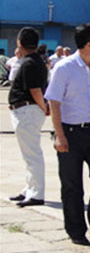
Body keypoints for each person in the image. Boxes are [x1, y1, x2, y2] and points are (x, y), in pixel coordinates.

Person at [45, 23, 90, 245]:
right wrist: (59, 136)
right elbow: (54, 102)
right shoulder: (64, 68)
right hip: (70, 132)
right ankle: (76, 231)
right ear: (89, 45)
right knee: (72, 185)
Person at [7, 27, 49, 207]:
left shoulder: (30, 63)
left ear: (19, 42)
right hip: (29, 111)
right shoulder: (36, 61)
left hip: (27, 110)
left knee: (32, 155)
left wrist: (44, 108)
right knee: (29, 154)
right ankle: (29, 188)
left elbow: (35, 90)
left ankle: (36, 193)